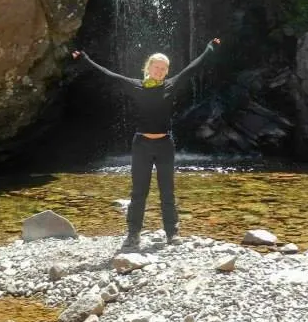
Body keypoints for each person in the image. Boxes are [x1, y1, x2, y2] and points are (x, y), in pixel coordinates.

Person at [72, 38, 221, 251]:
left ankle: (172, 233)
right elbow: (108, 76)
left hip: (165, 145)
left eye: (163, 68)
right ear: (148, 67)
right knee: (138, 192)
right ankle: (133, 235)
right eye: (156, 67)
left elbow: (192, 68)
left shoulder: (172, 85)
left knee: (167, 191)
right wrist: (85, 59)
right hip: (141, 144)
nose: (159, 71)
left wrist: (210, 48)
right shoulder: (136, 86)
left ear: (167, 71)